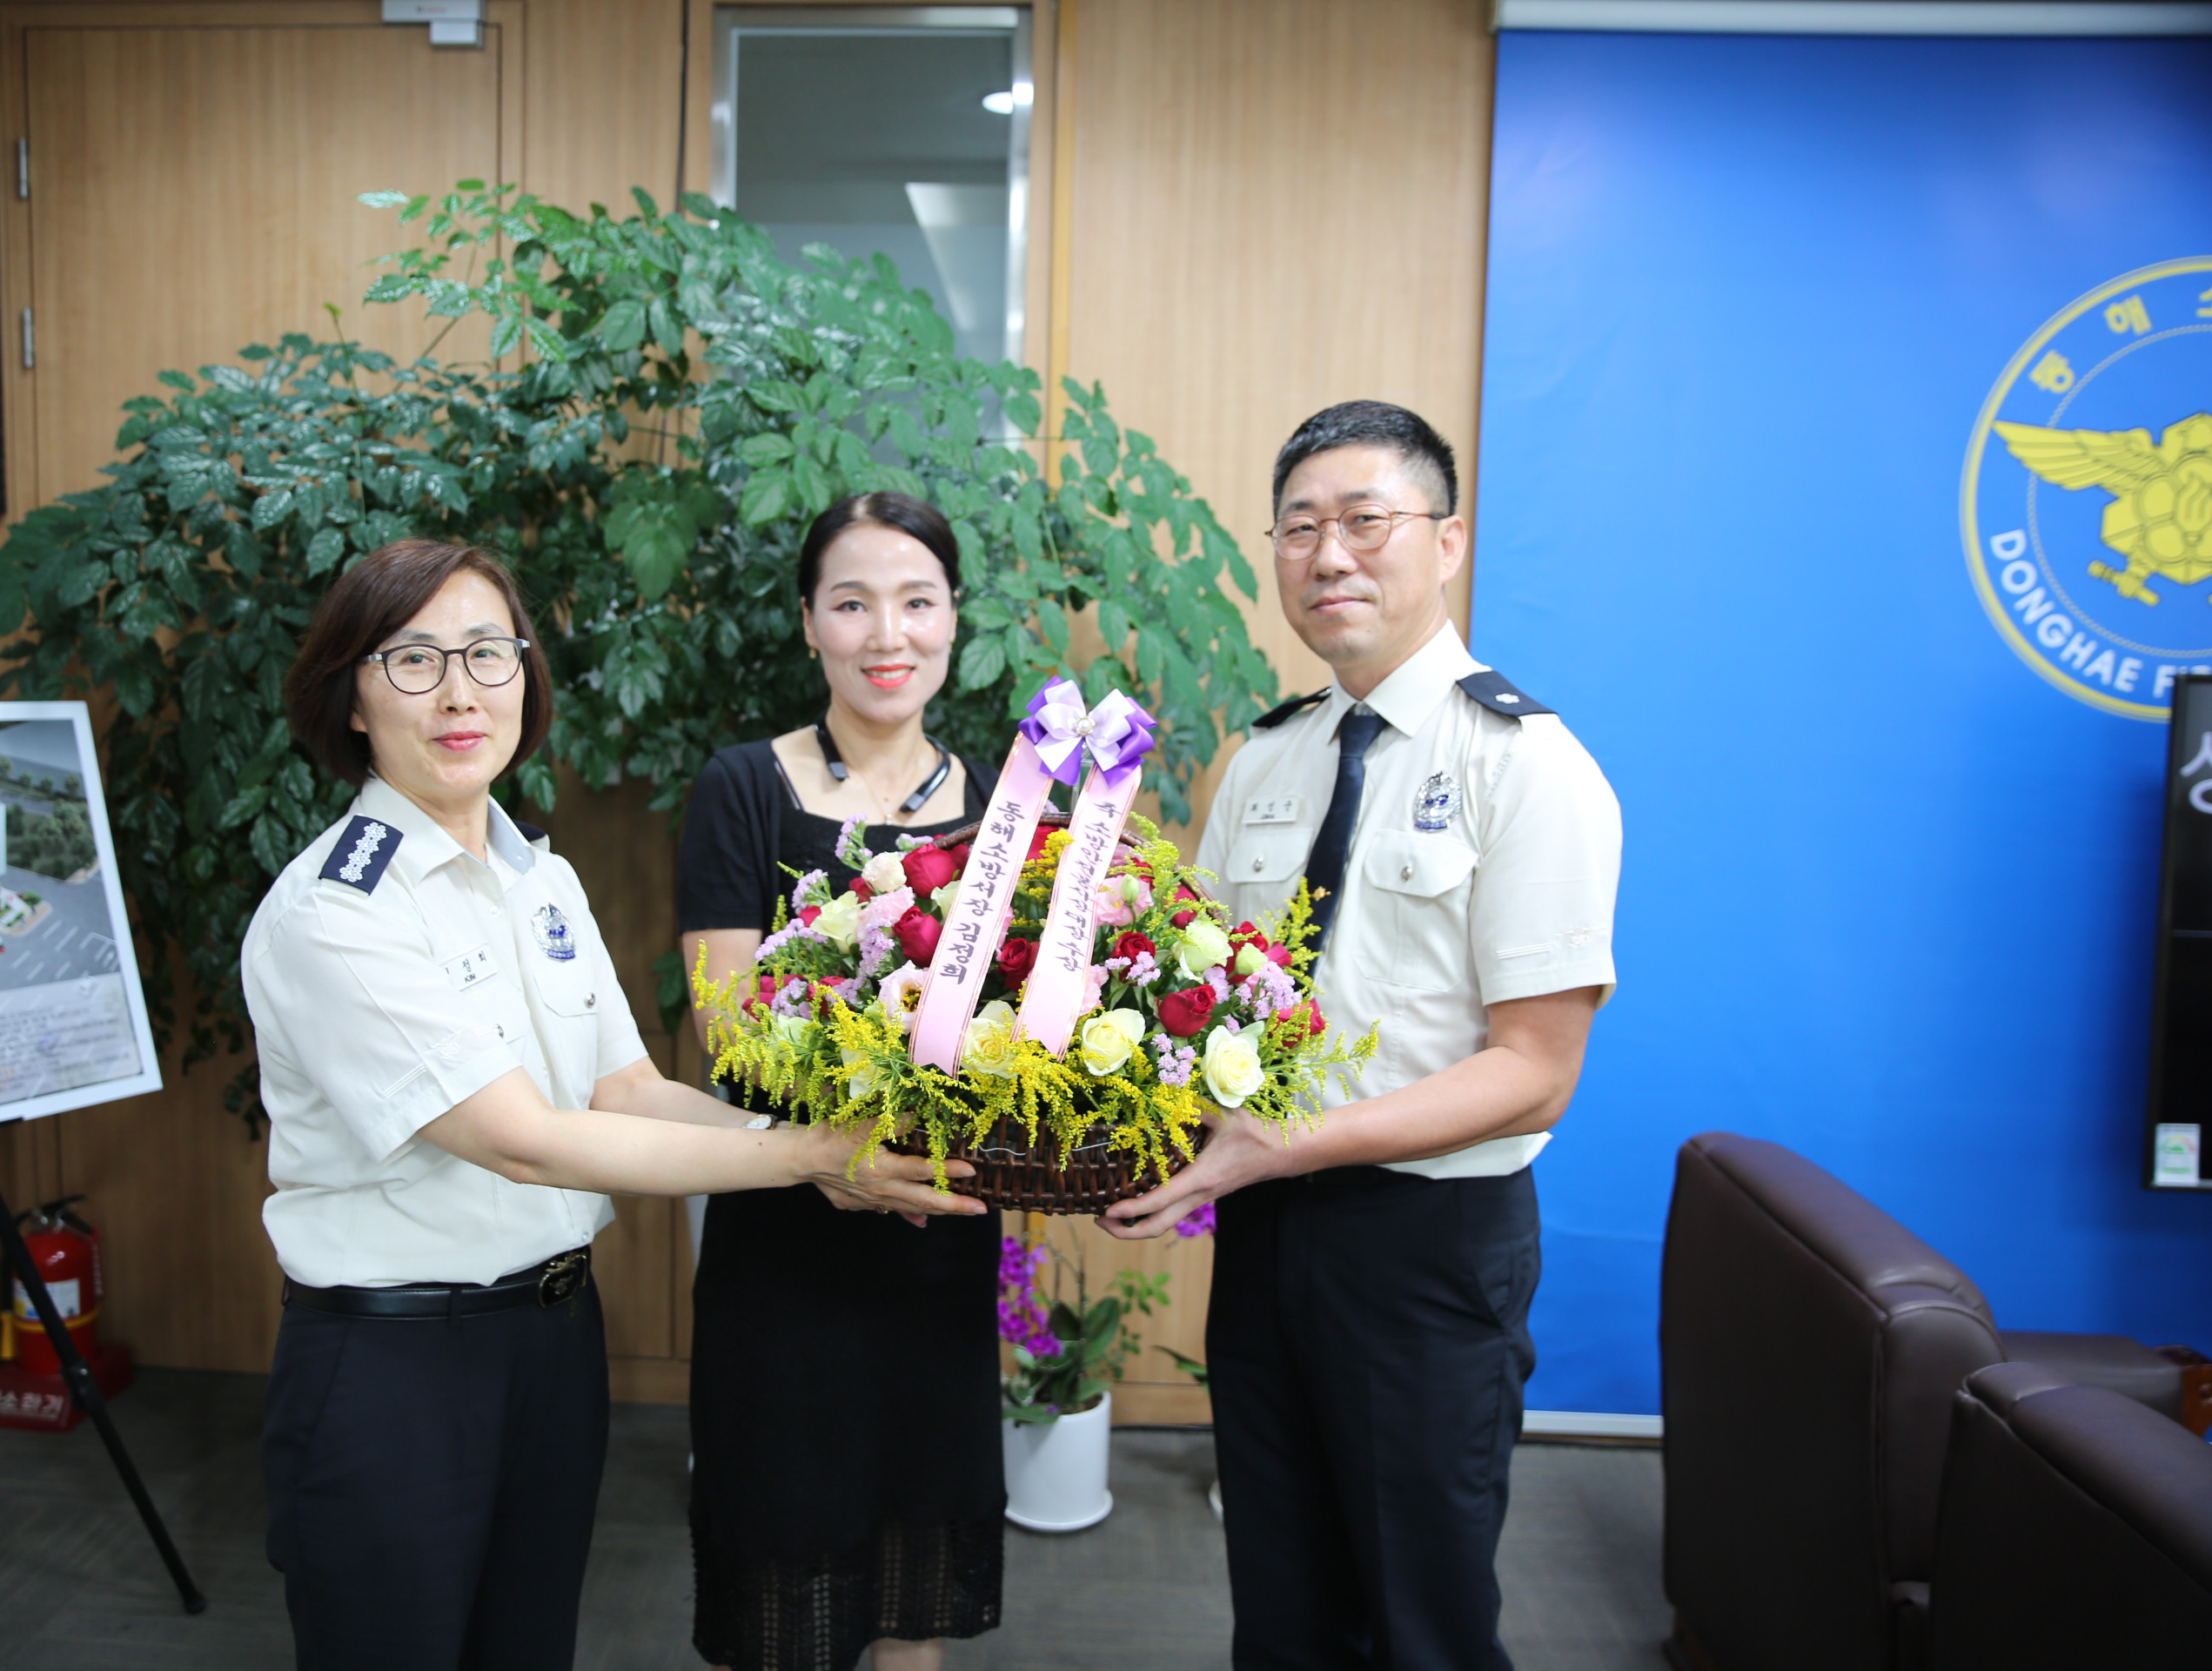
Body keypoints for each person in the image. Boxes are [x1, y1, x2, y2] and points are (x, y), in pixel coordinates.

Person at [242, 539, 980, 1671]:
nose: (459, 693)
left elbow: (626, 1091)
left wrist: (808, 1145)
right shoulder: (337, 912)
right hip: (396, 1367)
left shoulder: (541, 878)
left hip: (552, 1343)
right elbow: (526, 1143)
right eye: (414, 660)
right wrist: (808, 1159)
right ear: (350, 697)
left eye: (488, 654)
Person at [1103, 402, 1624, 1670]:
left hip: (1425, 1245)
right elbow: (1201, 996)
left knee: (1421, 1617)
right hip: (1267, 1226)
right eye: (1298, 528)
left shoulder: (1528, 765)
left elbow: (1536, 1074)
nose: (1328, 555)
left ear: (1447, 542)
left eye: (1363, 521)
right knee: (1281, 1603)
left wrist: (1290, 1143)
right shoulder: (1267, 757)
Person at [676, 493, 1007, 1671]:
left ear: (954, 618)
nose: (888, 635)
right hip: (788, 1238)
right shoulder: (742, 787)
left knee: (918, 1592)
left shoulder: (1010, 811)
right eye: (853, 604)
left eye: (918, 602)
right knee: (790, 1586)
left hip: (942, 1241)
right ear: (809, 622)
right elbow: (731, 1034)